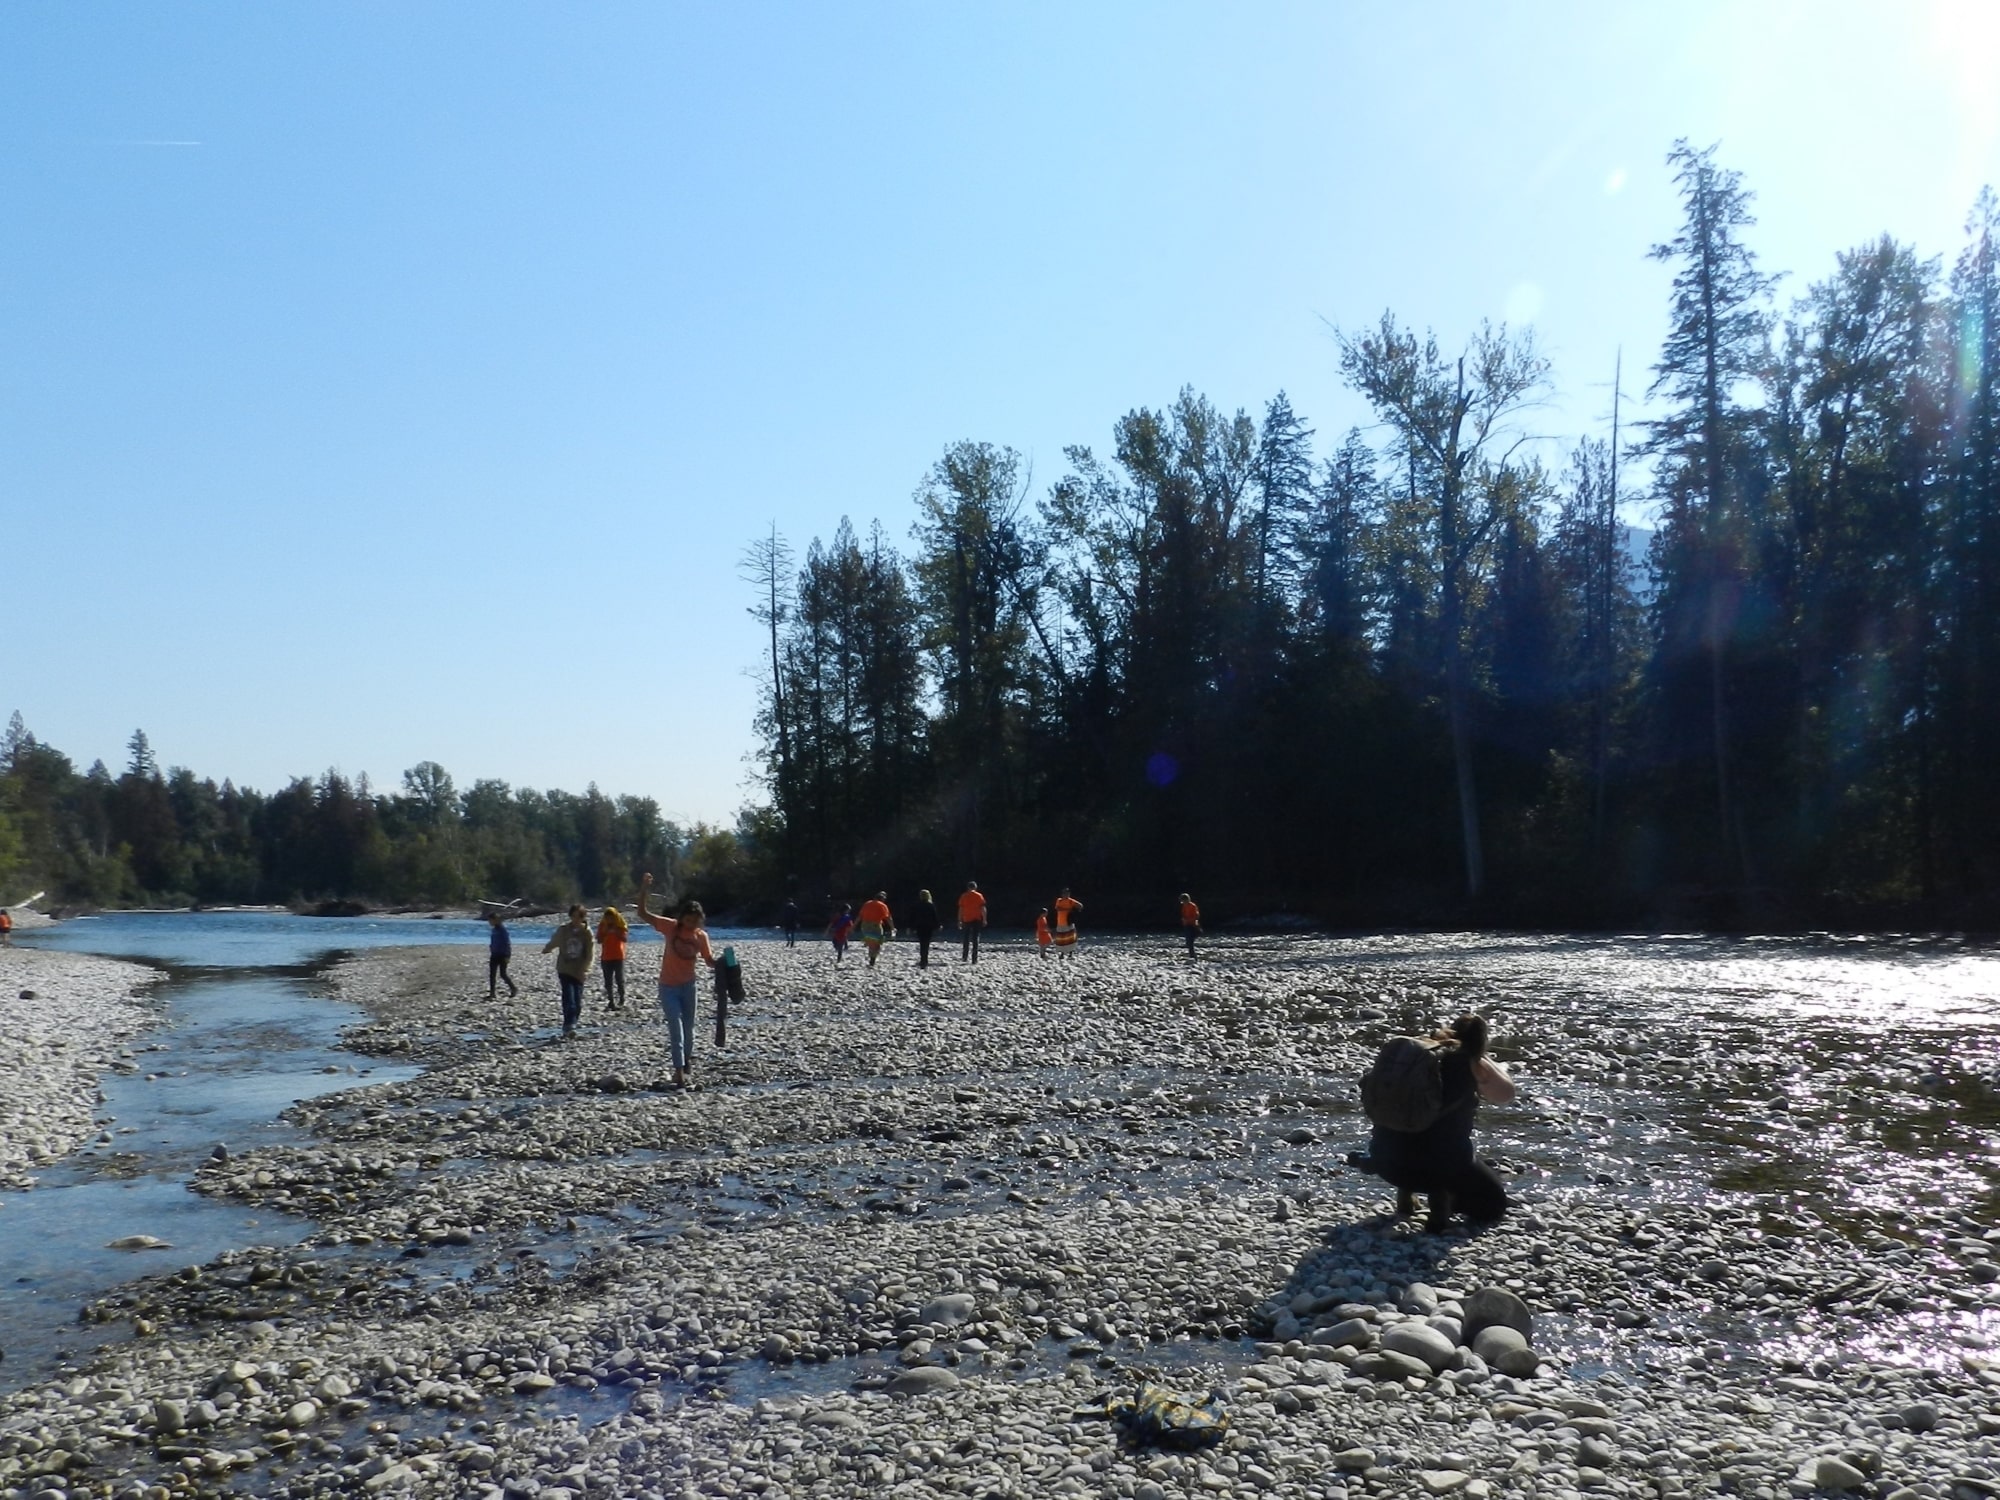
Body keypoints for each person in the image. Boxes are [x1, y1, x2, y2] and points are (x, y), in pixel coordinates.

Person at [1360, 1014, 1515, 1232]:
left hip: (1386, 1163)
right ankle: (1441, 1206)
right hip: (1440, 1170)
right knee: (1492, 1206)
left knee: (1413, 1134)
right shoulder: (1469, 1062)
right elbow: (1505, 1094)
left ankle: (1406, 1197)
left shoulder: (1412, 1057)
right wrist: (1481, 1057)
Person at [639, 873, 716, 1089]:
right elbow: (642, 913)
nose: (691, 925)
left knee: (689, 1028)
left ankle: (686, 1063)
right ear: (682, 919)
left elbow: (708, 960)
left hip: (689, 986)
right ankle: (678, 1071)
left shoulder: (701, 937)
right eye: (688, 921)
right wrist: (644, 888)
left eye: (695, 921)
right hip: (668, 987)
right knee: (676, 1027)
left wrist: (721, 964)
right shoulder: (670, 927)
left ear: (700, 921)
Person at [540, 906, 595, 1039]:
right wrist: (548, 948)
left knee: (577, 1001)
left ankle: (573, 1022)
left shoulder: (587, 933)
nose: (576, 919)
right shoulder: (564, 930)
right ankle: (569, 1026)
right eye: (574, 916)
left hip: (579, 970)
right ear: (570, 916)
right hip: (565, 968)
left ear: (583, 918)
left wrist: (585, 970)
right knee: (568, 997)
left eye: (580, 917)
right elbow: (555, 940)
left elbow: (590, 954)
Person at [597, 903, 630, 1010]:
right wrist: (606, 932)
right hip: (606, 957)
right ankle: (611, 1000)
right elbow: (599, 940)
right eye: (607, 917)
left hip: (618, 956)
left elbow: (625, 939)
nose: (609, 919)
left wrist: (616, 932)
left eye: (611, 917)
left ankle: (621, 999)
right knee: (608, 980)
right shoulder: (602, 925)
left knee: (619, 979)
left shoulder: (620, 925)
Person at [857, 891, 894, 968]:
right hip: (875, 926)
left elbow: (860, 916)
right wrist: (892, 928)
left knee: (871, 943)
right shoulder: (882, 905)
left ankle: (870, 952)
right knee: (878, 943)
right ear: (882, 899)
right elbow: (888, 918)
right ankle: (872, 959)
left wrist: (854, 926)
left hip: (865, 926)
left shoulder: (867, 904)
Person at [486, 911, 518, 998]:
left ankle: (513, 988)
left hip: (503, 954)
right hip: (494, 954)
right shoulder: (494, 930)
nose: (489, 922)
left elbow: (507, 943)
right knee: (492, 974)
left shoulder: (502, 930)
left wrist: (508, 955)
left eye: (491, 921)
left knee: (503, 974)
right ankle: (492, 993)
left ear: (496, 920)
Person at [908, 889, 940, 968]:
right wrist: (938, 926)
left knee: (922, 943)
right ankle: (925, 960)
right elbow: (934, 917)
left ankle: (923, 959)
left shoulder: (916, 905)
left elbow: (912, 917)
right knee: (926, 943)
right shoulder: (931, 905)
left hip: (919, 926)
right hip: (928, 927)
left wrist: (910, 927)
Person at [957, 881, 987, 962]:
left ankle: (965, 957)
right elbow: (983, 908)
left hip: (966, 918)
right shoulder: (979, 896)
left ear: (968, 887)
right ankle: (974, 958)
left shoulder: (964, 896)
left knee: (966, 938)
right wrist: (984, 919)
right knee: (975, 938)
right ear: (975, 887)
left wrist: (959, 920)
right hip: (977, 918)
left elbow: (961, 909)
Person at [1053, 888, 1083, 957]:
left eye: (1067, 893)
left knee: (1070, 938)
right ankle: (1062, 953)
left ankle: (1070, 953)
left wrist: (1076, 910)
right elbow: (1057, 908)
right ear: (1062, 894)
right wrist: (1067, 909)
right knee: (1061, 939)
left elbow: (1080, 905)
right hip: (1060, 922)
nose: (1066, 894)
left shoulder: (1071, 901)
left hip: (1069, 922)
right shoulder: (1059, 900)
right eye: (1064, 893)